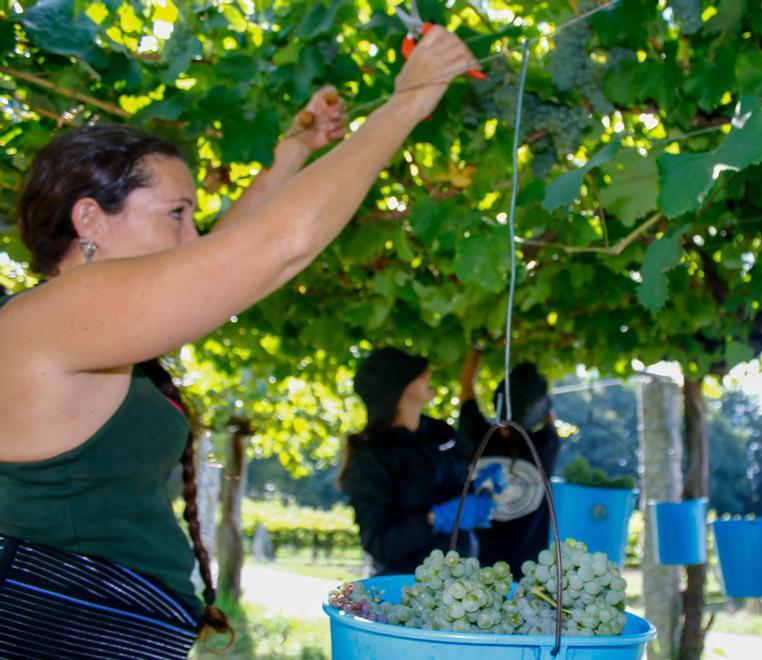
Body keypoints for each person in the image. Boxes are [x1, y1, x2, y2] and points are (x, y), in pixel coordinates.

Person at [0, 28, 478, 658]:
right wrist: (405, 105)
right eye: (176, 213)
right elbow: (275, 248)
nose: (192, 234)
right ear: (89, 219)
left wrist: (293, 153)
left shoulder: (72, 322)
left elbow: (220, 253)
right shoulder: (51, 316)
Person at [339, 347, 497, 575]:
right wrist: (435, 519)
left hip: (463, 581)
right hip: (408, 589)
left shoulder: (441, 433)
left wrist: (478, 486)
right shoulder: (371, 456)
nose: (427, 375)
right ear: (399, 390)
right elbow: (380, 546)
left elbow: (456, 487)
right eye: (417, 373)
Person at [458, 348, 560, 580]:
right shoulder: (545, 445)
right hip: (526, 570)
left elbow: (466, 387)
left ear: (498, 399)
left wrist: (477, 347)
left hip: (471, 567)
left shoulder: (476, 435)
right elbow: (549, 416)